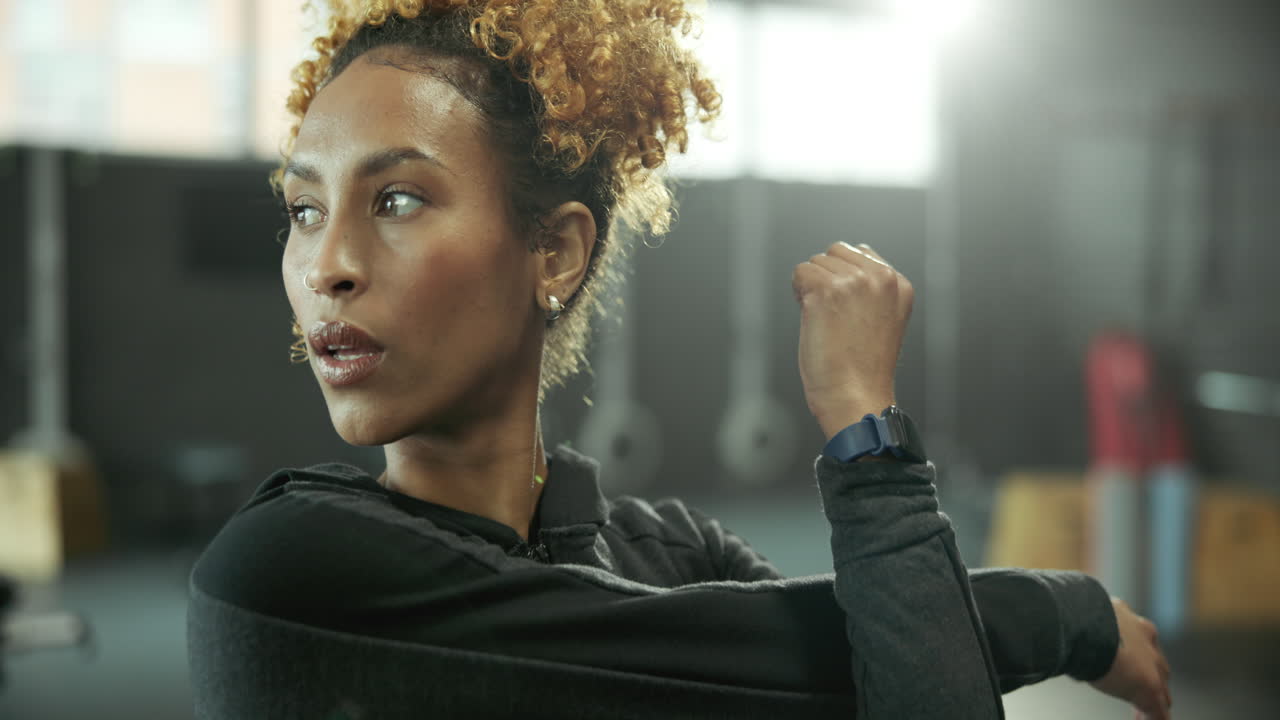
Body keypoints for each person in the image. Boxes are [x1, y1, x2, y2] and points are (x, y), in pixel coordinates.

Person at [186, 1, 1172, 718]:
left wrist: (861, 413)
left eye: (396, 199)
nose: (328, 265)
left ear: (556, 252)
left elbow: (914, 687)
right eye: (305, 211)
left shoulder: (672, 555)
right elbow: (880, 651)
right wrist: (1059, 612)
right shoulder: (289, 570)